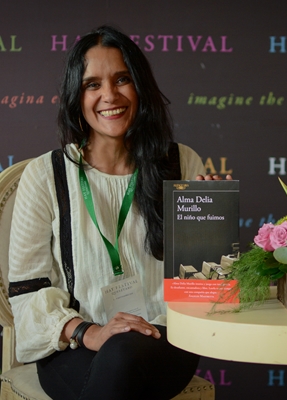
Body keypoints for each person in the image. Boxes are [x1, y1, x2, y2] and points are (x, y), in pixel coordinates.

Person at [8, 25, 228, 400]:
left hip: (164, 341)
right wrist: (87, 332)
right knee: (116, 358)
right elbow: (28, 290)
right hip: (76, 345)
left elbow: (207, 291)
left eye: (122, 79)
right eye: (92, 84)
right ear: (76, 96)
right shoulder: (47, 175)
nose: (109, 95)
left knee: (124, 351)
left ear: (140, 86)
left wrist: (208, 226)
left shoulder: (181, 163)